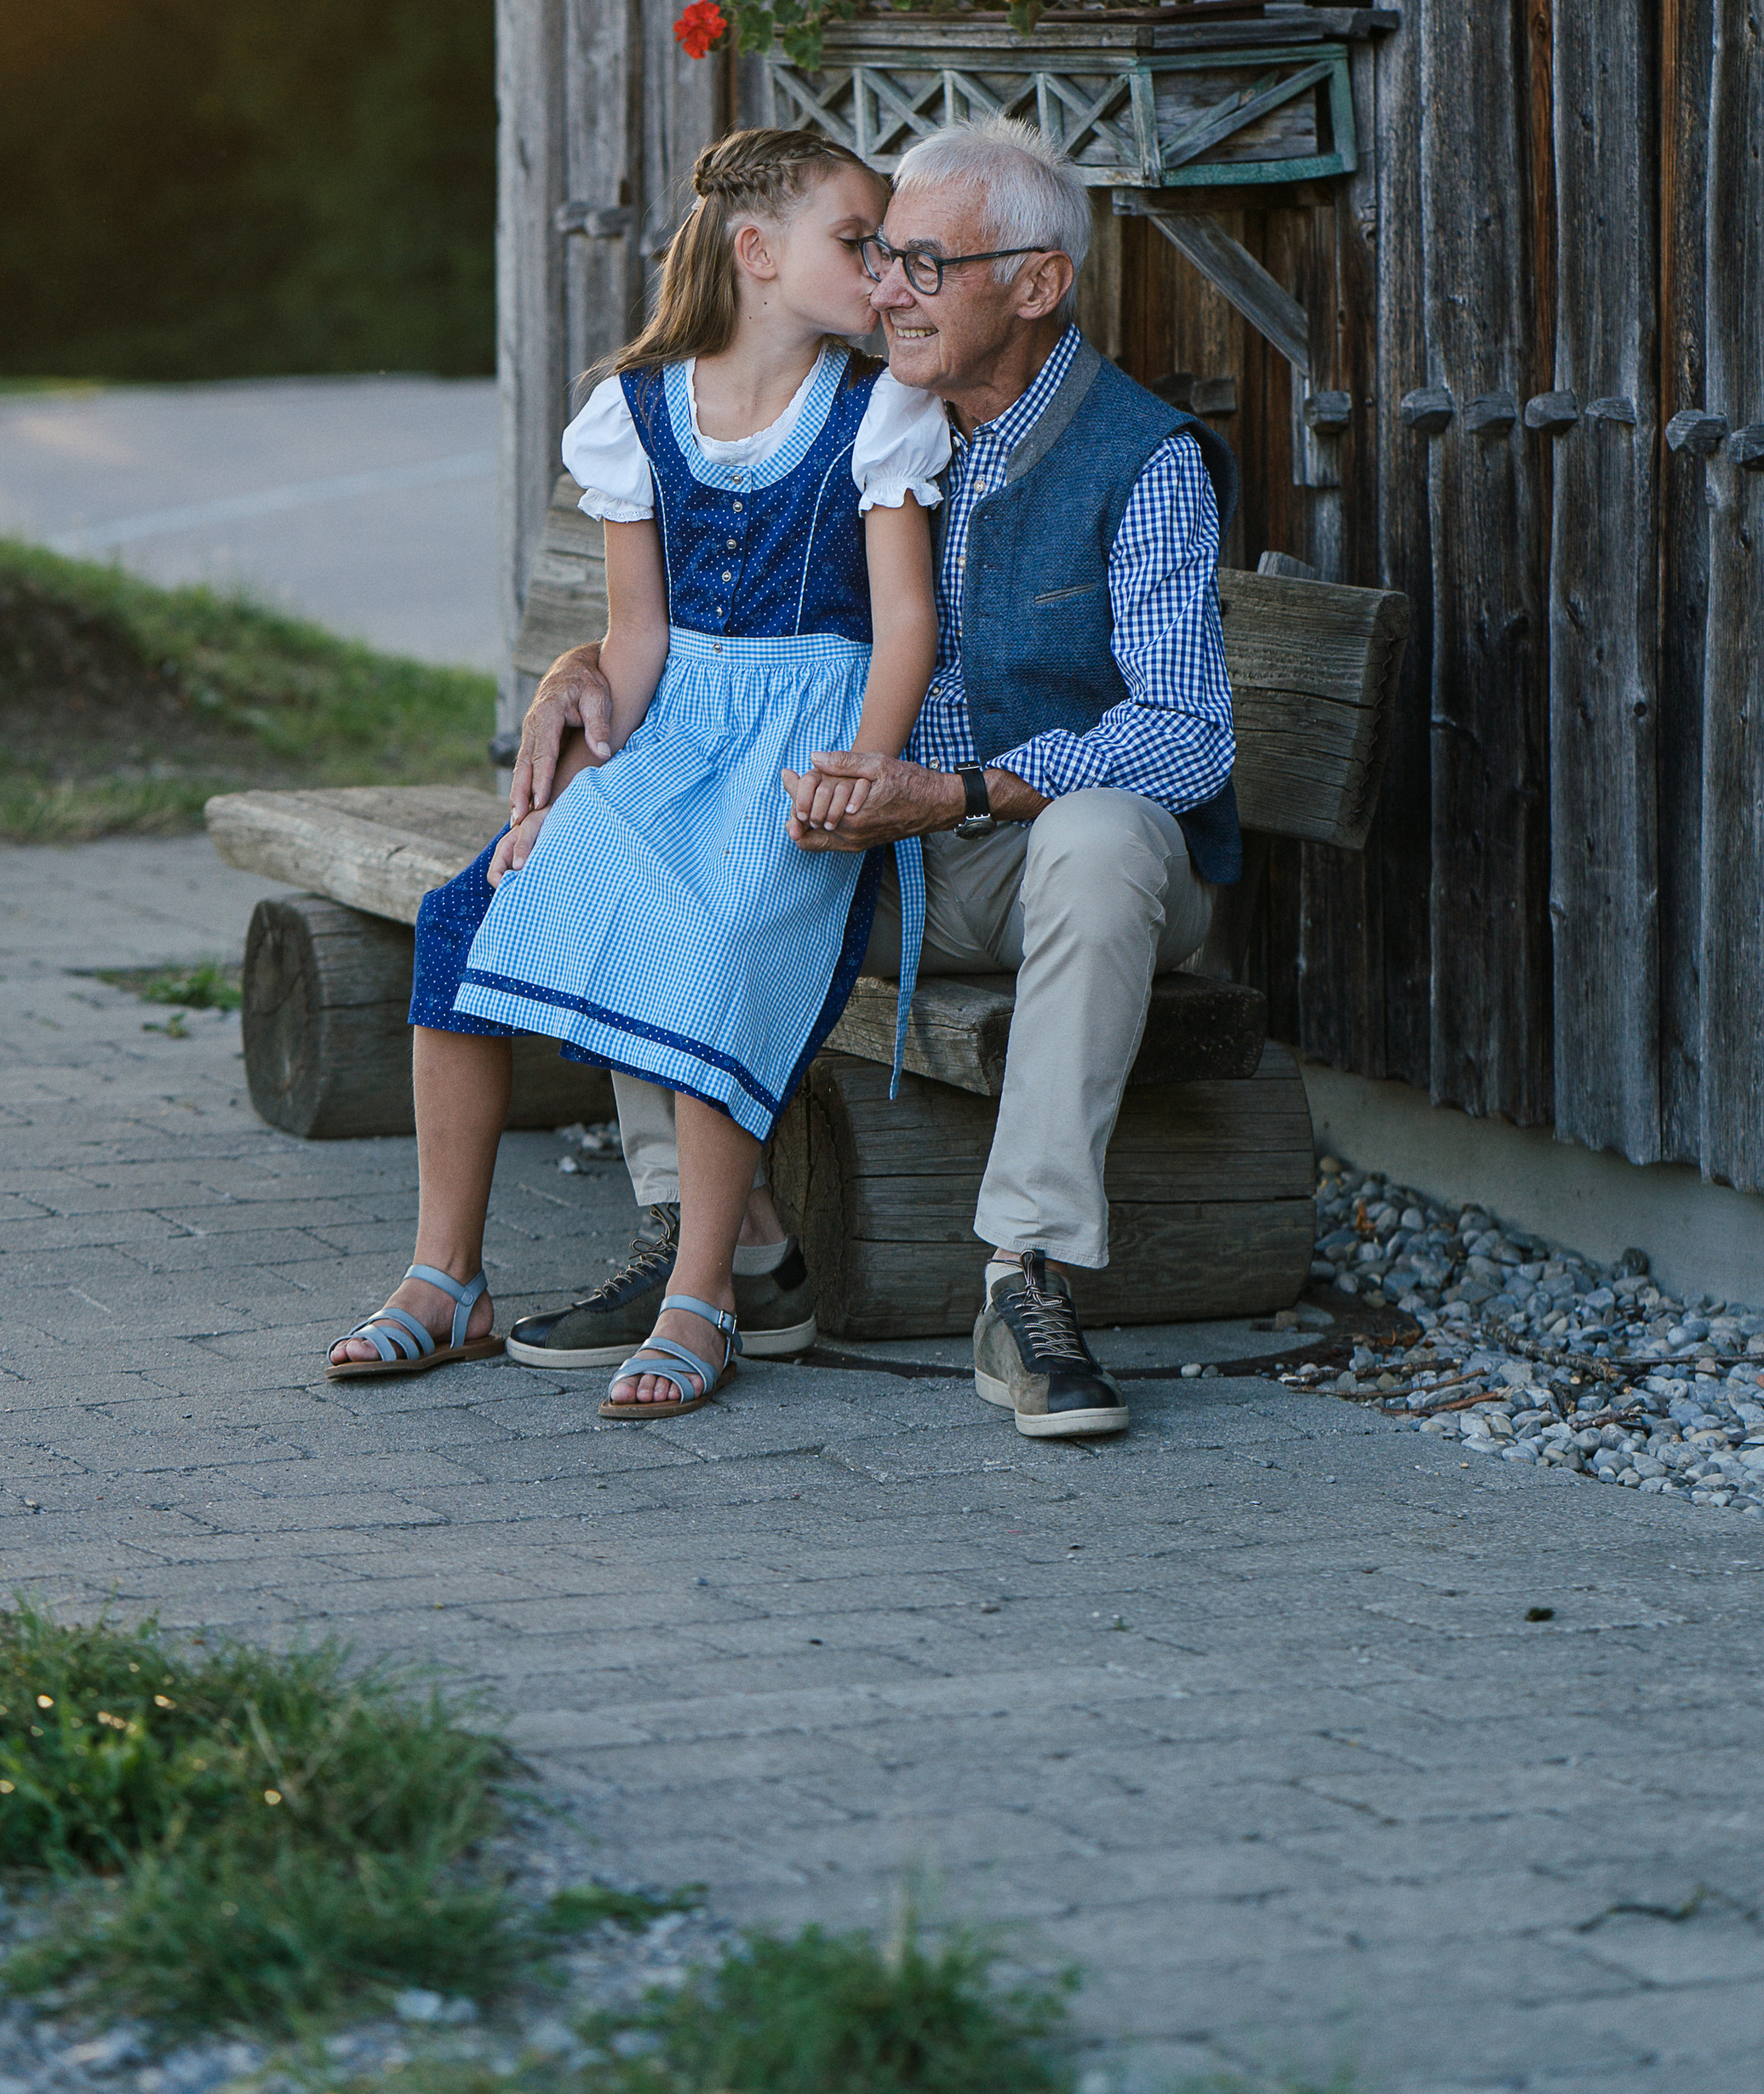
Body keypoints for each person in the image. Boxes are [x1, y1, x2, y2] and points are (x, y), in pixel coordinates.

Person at [513, 115, 1238, 1443]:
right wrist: (581, 667)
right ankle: (727, 1252)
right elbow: (702, 617)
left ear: (1034, 285)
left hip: (1028, 873)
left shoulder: (1142, 462)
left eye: (924, 264)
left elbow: (1189, 733)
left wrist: (964, 792)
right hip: (859, 858)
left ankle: (1027, 1282)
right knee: (643, 826)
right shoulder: (856, 415)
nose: (887, 288)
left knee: (1110, 832)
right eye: (882, 254)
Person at [324, 127, 948, 1417]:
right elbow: (639, 638)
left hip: (808, 748)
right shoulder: (638, 410)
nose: (884, 267)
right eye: (858, 240)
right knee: (470, 909)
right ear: (757, 252)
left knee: (719, 941)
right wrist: (576, 781)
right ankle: (448, 1278)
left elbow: (906, 628)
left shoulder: (879, 409)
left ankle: (703, 1293)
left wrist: (865, 771)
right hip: (677, 737)